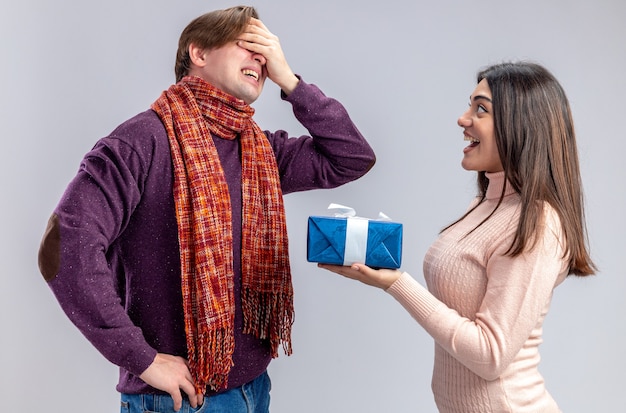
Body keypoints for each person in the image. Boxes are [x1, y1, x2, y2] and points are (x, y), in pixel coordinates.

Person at [38, 6, 375, 413]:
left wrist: (292, 82)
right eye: (248, 45)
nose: (262, 60)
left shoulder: (260, 152)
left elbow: (352, 156)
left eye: (267, 54)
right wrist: (141, 358)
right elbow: (64, 247)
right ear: (199, 53)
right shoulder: (140, 142)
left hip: (254, 387)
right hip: (175, 400)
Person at [319, 61, 595, 412]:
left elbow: (490, 355)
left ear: (521, 124)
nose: (463, 119)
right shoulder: (485, 203)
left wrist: (396, 284)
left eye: (480, 109)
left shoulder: (538, 222)